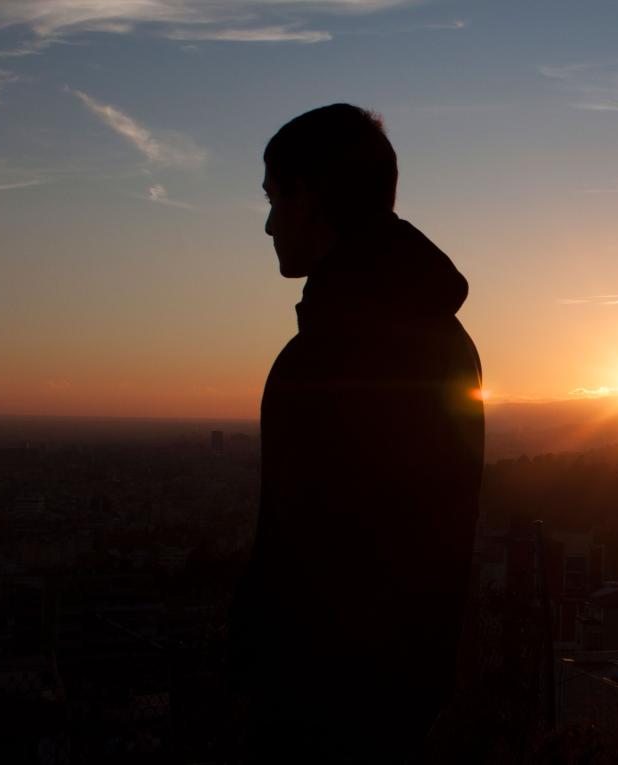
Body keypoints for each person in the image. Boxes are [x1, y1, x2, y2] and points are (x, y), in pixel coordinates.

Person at [230, 104, 485, 763]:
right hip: (402, 705)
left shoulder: (323, 362)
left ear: (309, 199)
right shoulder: (447, 341)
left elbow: (302, 561)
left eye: (272, 198)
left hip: (324, 717)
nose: (267, 224)